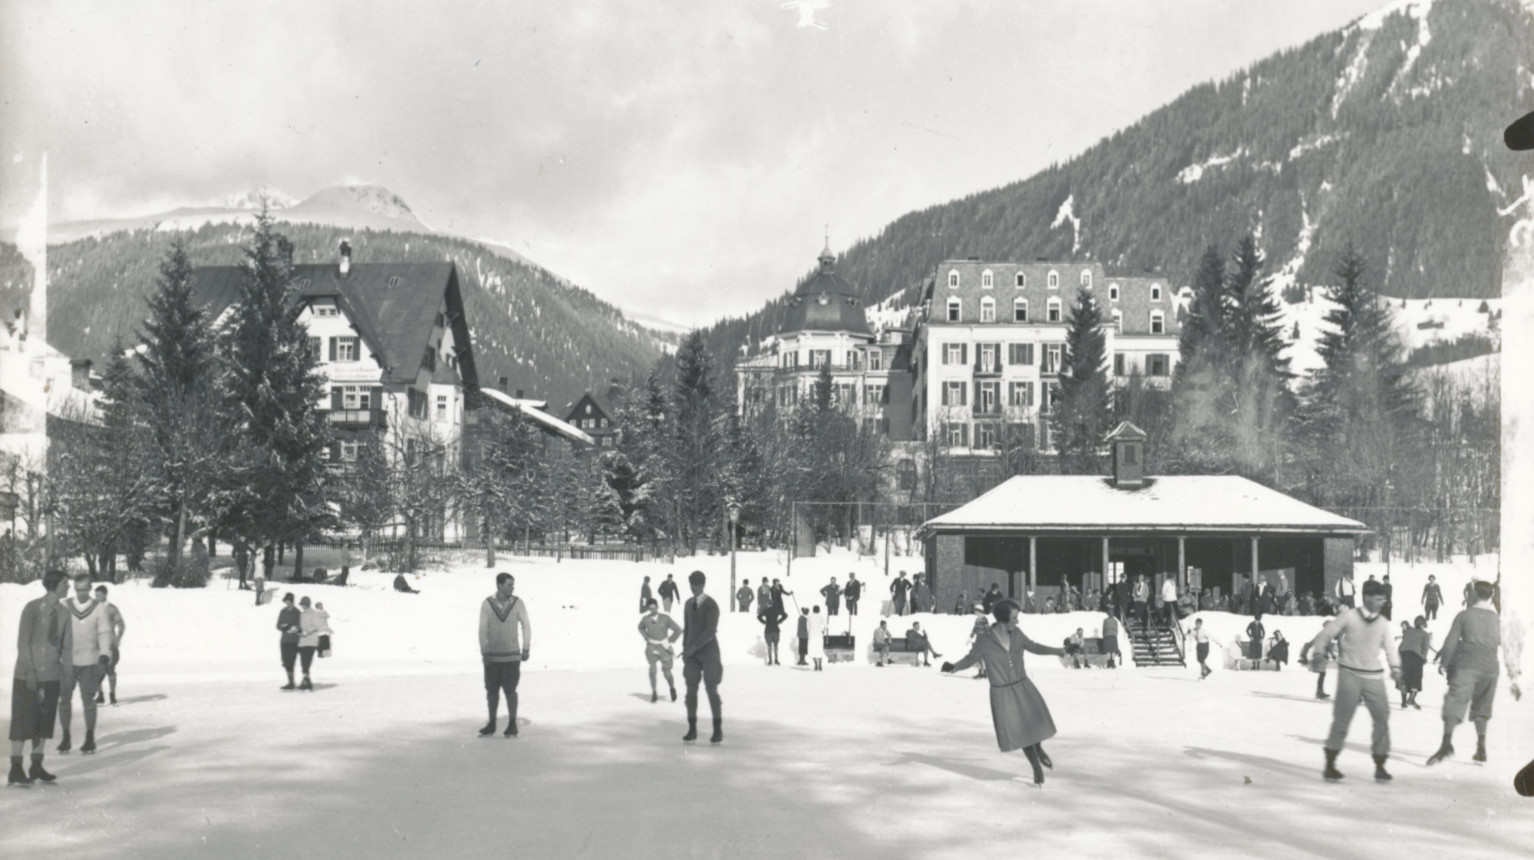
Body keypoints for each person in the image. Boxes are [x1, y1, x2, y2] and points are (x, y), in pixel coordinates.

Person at [941, 599, 1067, 787]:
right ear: (1002, 619)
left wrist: (1058, 651)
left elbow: (1034, 647)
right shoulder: (985, 640)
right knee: (1021, 732)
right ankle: (1035, 766)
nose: (1017, 622)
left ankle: (1038, 749)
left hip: (1023, 686)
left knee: (1034, 723)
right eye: (1014, 618)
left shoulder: (1016, 634)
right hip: (1003, 693)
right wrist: (954, 667)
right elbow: (970, 658)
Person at [1307, 579, 1401, 782]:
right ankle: (1330, 763)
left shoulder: (1383, 623)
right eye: (1378, 599)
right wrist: (1318, 654)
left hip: (1374, 676)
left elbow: (1390, 647)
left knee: (1382, 718)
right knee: (1342, 719)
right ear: (1366, 598)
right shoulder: (1349, 617)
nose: (1381, 603)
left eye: (1383, 600)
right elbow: (1325, 635)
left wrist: (1395, 668)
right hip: (1349, 675)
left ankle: (1380, 765)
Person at [1427, 581, 1501, 766]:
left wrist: (1444, 662)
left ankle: (1446, 745)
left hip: (1467, 665)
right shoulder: (1496, 618)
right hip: (1491, 668)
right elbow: (1500, 641)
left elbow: (1451, 641)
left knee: (1455, 701)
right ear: (1491, 598)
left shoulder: (1464, 615)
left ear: (1473, 595)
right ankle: (1481, 747)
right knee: (1482, 706)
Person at [9, 569, 72, 786]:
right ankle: (15, 768)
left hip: (51, 676)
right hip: (27, 675)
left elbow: (67, 647)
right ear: (55, 585)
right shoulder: (32, 608)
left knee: (43, 723)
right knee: (22, 721)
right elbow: (23, 642)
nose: (68, 587)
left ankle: (36, 766)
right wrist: (30, 672)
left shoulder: (64, 614)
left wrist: (67, 675)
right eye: (65, 583)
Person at [56, 574, 113, 755]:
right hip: (67, 662)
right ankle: (66, 736)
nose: (81, 593)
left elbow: (104, 633)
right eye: (78, 589)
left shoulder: (99, 609)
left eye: (85, 589)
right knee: (64, 699)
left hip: (90, 661)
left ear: (90, 588)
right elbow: (55, 632)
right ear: (74, 588)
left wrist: (104, 655)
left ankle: (89, 737)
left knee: (88, 700)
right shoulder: (64, 605)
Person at [478, 572, 531, 738]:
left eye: (513, 585)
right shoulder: (487, 604)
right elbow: (482, 629)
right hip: (492, 656)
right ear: (499, 585)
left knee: (510, 691)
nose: (512, 588)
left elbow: (526, 626)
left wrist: (526, 648)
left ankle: (512, 724)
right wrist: (484, 652)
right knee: (491, 691)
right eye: (509, 585)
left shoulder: (517, 603)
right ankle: (492, 723)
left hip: (512, 657)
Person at [680, 571, 723, 744]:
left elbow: (710, 631)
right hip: (691, 654)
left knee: (711, 689)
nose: (694, 587)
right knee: (691, 691)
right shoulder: (688, 604)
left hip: (709, 652)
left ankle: (717, 729)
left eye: (697, 584)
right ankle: (692, 728)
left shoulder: (711, 605)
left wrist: (694, 647)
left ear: (703, 584)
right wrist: (685, 648)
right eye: (691, 583)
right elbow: (687, 628)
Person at [638, 598, 682, 702]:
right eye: (650, 608)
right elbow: (640, 627)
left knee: (667, 673)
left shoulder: (665, 618)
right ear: (648, 609)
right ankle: (654, 692)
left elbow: (678, 629)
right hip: (651, 647)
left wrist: (669, 641)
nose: (653, 610)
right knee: (652, 671)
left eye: (654, 608)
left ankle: (672, 688)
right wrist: (646, 637)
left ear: (657, 607)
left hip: (664, 648)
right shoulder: (645, 619)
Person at [93, 584, 125, 705]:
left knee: (109, 669)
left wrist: (118, 638)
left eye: (98, 595)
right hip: (96, 644)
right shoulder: (93, 609)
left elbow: (121, 624)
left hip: (109, 643)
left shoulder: (112, 609)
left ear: (105, 595)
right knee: (96, 670)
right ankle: (100, 695)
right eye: (95, 595)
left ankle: (112, 695)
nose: (96, 597)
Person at [296, 596, 331, 691]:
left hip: (311, 641)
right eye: (301, 605)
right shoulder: (302, 614)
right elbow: (299, 626)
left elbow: (319, 626)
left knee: (306, 661)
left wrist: (309, 631)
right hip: (302, 641)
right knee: (303, 662)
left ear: (307, 604)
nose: (302, 606)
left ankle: (306, 681)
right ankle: (306, 680)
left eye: (303, 604)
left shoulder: (314, 614)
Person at [1397, 617, 1432, 710]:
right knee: (1416, 678)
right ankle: (1411, 699)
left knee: (1404, 678)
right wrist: (1423, 659)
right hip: (1415, 656)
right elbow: (1425, 649)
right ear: (1422, 625)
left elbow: (1404, 641)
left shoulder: (1408, 631)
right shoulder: (1425, 635)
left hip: (1403, 654)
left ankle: (1404, 702)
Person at [276, 593, 302, 691]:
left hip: (293, 640)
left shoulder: (297, 612)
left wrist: (294, 628)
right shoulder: (282, 611)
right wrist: (285, 627)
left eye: (288, 600)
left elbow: (300, 625)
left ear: (291, 600)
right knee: (285, 661)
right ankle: (290, 681)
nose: (287, 602)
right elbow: (278, 625)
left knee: (291, 661)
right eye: (285, 601)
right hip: (284, 640)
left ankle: (291, 682)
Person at [758, 599, 787, 666]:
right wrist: (779, 621)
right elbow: (785, 615)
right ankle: (776, 659)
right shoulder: (777, 610)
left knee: (769, 646)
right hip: (776, 630)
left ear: (768, 604)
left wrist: (764, 622)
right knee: (776, 645)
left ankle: (770, 660)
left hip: (768, 630)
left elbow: (759, 616)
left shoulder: (767, 610)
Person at [967, 605, 990, 678]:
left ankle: (985, 673)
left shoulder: (984, 619)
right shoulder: (977, 620)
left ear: (980, 611)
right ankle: (980, 672)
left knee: (983, 657)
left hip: (983, 639)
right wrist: (970, 637)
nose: (975, 612)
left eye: (976, 611)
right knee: (978, 657)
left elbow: (987, 629)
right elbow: (974, 630)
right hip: (978, 639)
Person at [807, 605, 827, 671]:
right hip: (819, 636)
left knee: (813, 650)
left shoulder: (809, 617)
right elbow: (826, 626)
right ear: (819, 610)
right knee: (819, 650)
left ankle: (816, 664)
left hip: (812, 636)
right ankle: (820, 664)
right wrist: (823, 631)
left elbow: (807, 627)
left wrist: (809, 632)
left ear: (813, 610)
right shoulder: (821, 617)